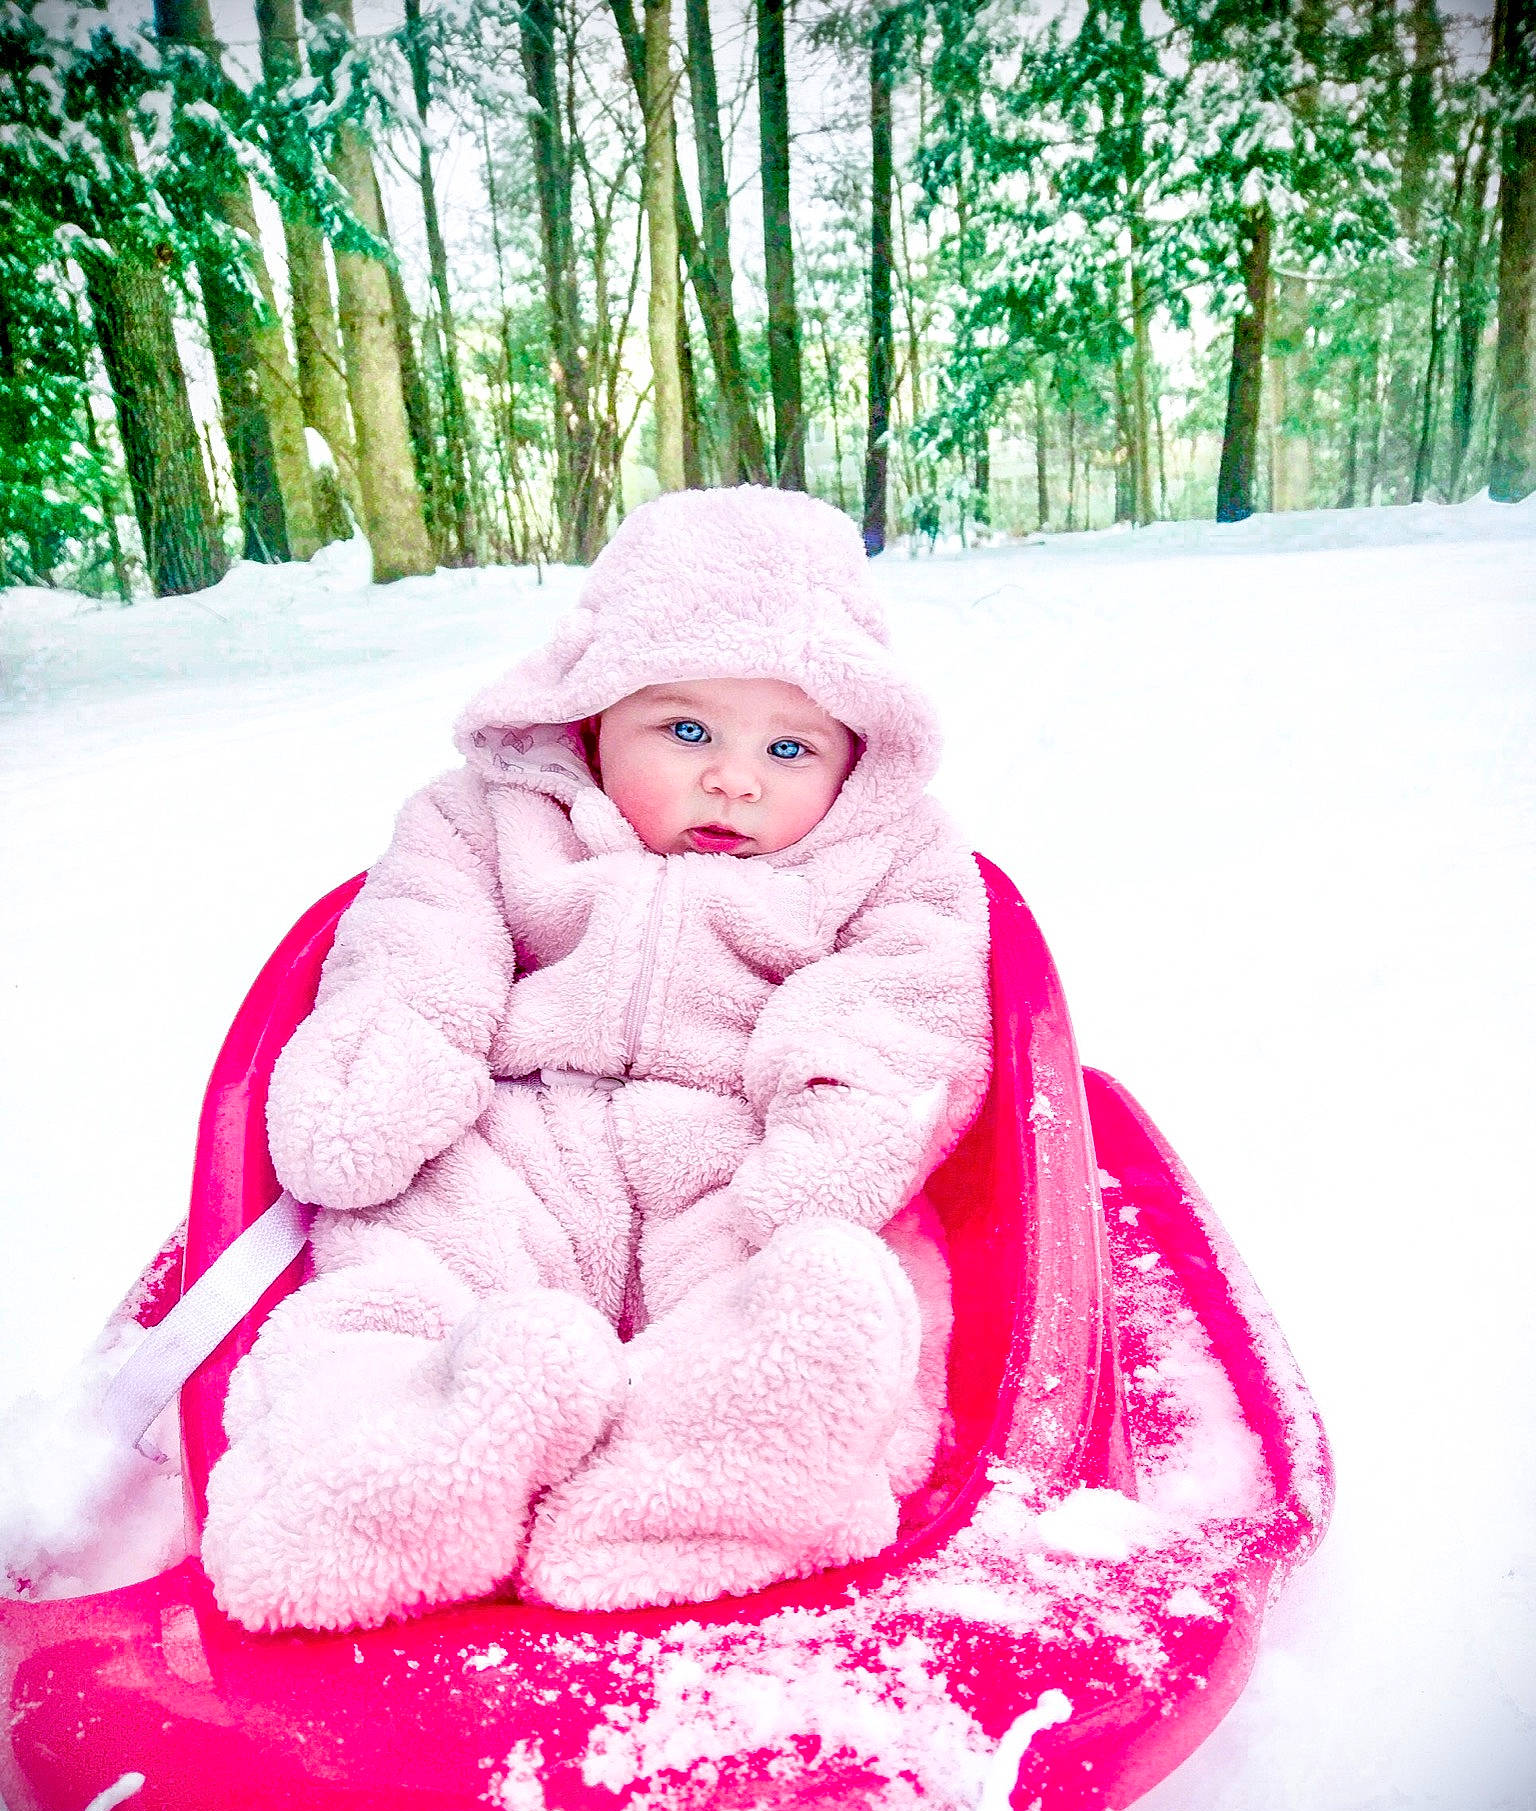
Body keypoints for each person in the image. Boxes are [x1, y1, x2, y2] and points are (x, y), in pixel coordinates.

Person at [202, 486, 992, 1631]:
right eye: (686, 730)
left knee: (812, 1286)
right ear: (589, 712)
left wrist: (832, 1128)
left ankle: (696, 1485)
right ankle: (385, 1471)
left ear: (857, 755)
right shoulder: (491, 817)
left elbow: (905, 997)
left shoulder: (884, 857)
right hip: (512, 1132)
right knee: (406, 1269)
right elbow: (418, 936)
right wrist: (400, 1062)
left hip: (736, 1154)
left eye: (789, 746)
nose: (735, 777)